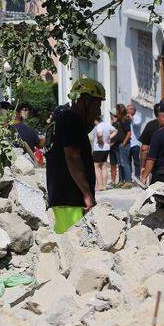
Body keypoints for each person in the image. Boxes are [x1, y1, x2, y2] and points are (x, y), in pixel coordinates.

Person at [45, 78, 104, 234]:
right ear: (85, 101)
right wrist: (87, 194)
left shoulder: (62, 119)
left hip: (64, 197)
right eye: (97, 105)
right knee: (72, 245)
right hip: (71, 199)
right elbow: (72, 157)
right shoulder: (71, 119)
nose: (98, 111)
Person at [91, 116, 116, 191]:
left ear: (95, 120)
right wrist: (108, 138)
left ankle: (100, 185)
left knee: (97, 166)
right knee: (104, 166)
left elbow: (99, 134)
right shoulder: (106, 124)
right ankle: (104, 186)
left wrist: (100, 141)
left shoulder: (98, 126)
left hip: (99, 148)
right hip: (106, 148)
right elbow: (115, 131)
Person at [111, 104, 132, 184]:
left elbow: (129, 133)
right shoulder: (118, 120)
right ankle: (121, 181)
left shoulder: (125, 120)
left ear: (119, 111)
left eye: (116, 110)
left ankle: (128, 181)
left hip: (124, 145)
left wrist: (124, 143)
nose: (115, 112)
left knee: (125, 163)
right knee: (120, 163)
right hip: (118, 144)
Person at [126, 104, 143, 178]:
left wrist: (131, 118)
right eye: (127, 109)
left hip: (135, 143)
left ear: (133, 110)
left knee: (136, 162)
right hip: (127, 143)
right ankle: (128, 177)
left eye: (129, 109)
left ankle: (137, 177)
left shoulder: (137, 117)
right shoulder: (126, 118)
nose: (127, 111)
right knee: (128, 161)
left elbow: (136, 124)